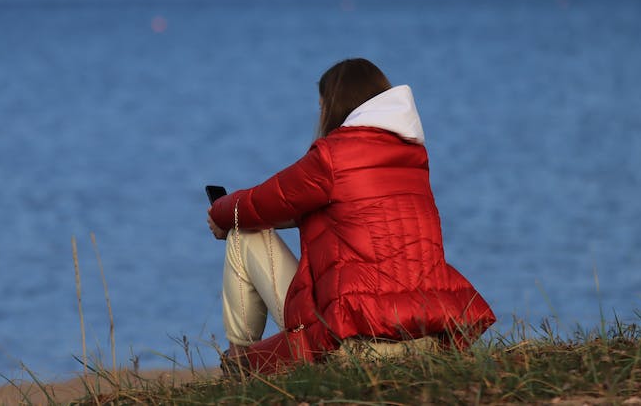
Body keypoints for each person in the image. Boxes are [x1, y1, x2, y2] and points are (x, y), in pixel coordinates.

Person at [206, 58, 495, 373]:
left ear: (335, 105)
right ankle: (247, 362)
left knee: (241, 232)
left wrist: (220, 215)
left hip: (354, 340)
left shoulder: (332, 156)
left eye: (321, 107)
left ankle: (240, 359)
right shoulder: (413, 158)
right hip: (427, 339)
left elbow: (258, 202)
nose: (320, 115)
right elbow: (346, 212)